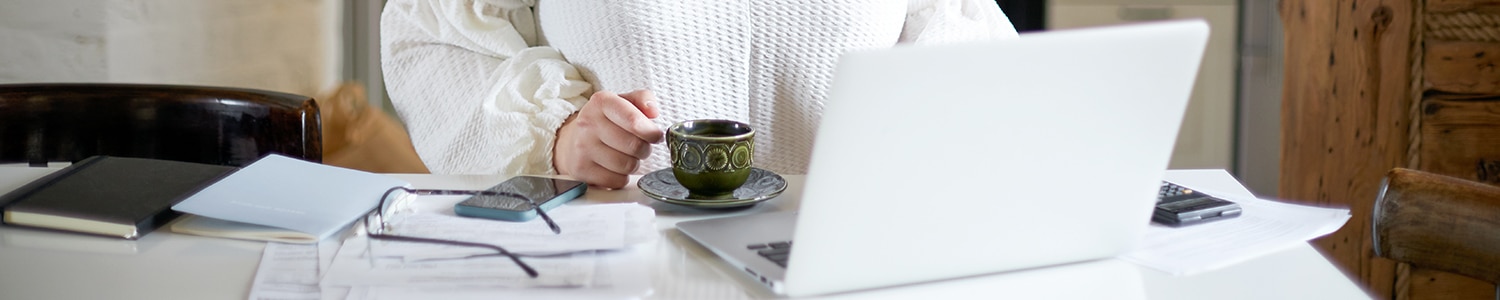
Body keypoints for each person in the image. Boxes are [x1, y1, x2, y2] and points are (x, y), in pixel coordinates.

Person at [381, 0, 1018, 188]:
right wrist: (556, 135)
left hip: (844, 271)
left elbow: (977, 55)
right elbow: (424, 31)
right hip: (613, 267)